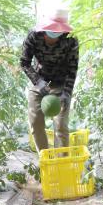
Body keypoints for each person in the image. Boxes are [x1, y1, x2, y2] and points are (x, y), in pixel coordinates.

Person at [20, 9, 79, 151]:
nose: (52, 37)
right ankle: (45, 157)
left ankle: (61, 163)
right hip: (39, 80)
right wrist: (38, 82)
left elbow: (72, 69)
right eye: (50, 31)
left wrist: (66, 92)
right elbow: (24, 62)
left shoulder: (71, 40)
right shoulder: (34, 36)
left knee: (60, 125)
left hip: (61, 83)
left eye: (56, 32)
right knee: (35, 121)